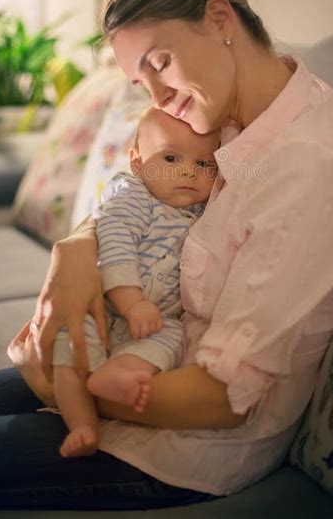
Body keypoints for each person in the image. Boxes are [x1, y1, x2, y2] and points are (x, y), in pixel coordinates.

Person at [0, 0, 333, 510]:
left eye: (160, 61)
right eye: (139, 79)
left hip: (175, 446)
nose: (155, 96)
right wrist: (76, 248)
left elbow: (222, 400)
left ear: (220, 19)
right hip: (126, 355)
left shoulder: (310, 169)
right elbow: (139, 190)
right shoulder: (235, 112)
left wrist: (54, 383)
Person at [52, 106, 219, 458]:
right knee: (69, 349)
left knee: (173, 337)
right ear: (138, 162)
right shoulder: (133, 197)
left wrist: (145, 312)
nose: (189, 170)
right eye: (171, 158)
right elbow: (115, 246)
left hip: (156, 320)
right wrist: (131, 303)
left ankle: (118, 373)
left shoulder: (201, 211)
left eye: (205, 164)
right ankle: (82, 423)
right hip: (106, 307)